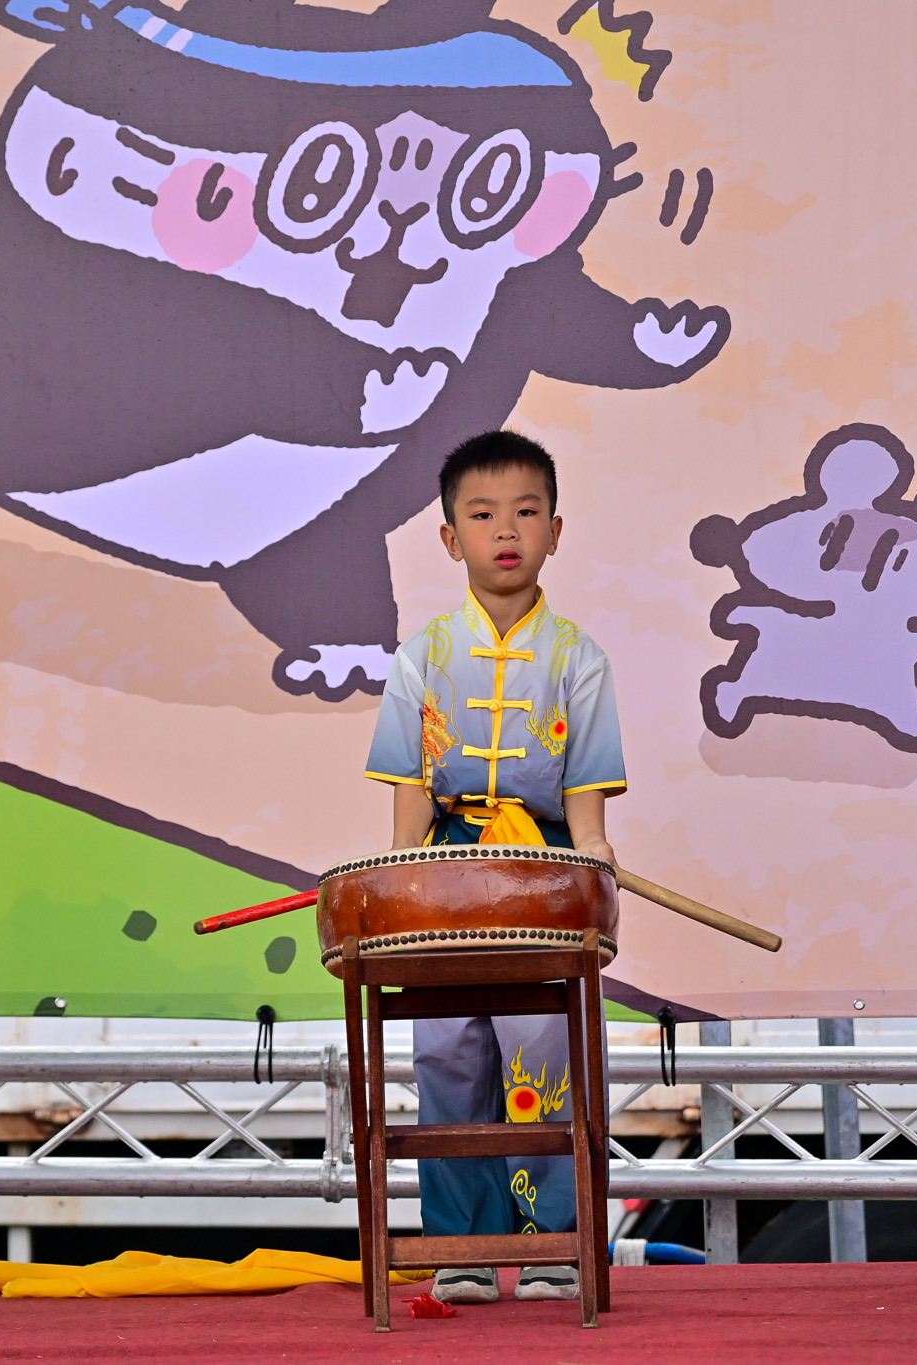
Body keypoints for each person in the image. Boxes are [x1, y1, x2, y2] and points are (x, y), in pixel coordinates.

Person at [363, 431, 626, 1304]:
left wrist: (594, 866)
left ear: (556, 529)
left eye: (525, 511)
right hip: (444, 878)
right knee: (447, 1054)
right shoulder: (421, 657)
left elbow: (585, 802)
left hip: (540, 876)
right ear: (451, 538)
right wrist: (401, 887)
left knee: (543, 1056)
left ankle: (555, 1243)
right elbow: (410, 797)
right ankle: (463, 1247)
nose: (505, 530)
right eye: (482, 515)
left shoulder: (580, 658)